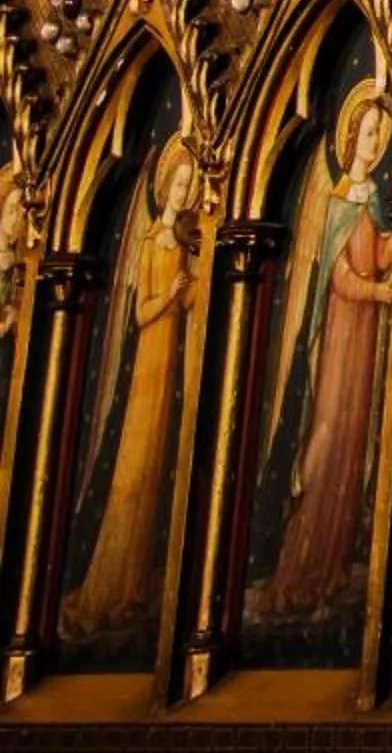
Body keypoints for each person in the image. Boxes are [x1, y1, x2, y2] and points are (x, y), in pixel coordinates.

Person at [251, 98, 392, 620]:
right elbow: (340, 277)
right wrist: (380, 293)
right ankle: (302, 562)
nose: (376, 142)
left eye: (382, 133)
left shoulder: (374, 198)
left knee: (355, 445)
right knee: (330, 437)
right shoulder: (337, 202)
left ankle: (333, 563)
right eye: (368, 133)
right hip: (341, 340)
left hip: (366, 342)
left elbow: (378, 254)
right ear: (350, 139)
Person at [63, 140, 200, 640]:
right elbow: (142, 312)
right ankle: (109, 582)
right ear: (164, 188)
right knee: (134, 472)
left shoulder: (183, 245)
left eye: (190, 186)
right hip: (147, 370)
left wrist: (192, 285)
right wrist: (168, 296)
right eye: (180, 185)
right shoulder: (147, 246)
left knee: (159, 475)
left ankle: (136, 588)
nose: (184, 193)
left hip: (172, 370)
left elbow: (193, 302)